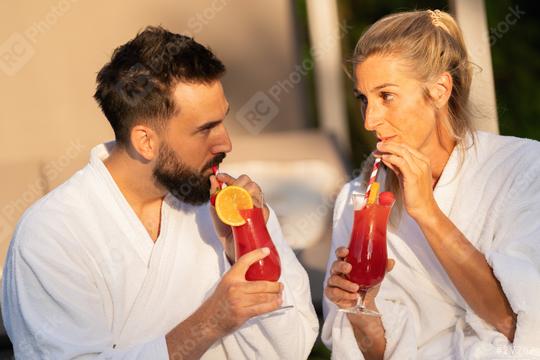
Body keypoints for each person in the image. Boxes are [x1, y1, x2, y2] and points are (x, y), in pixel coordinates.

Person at [2, 26, 318, 359]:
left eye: (222, 120)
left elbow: (294, 348)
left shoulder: (232, 210)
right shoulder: (52, 235)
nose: (226, 143)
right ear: (145, 141)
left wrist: (243, 250)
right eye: (205, 129)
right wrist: (211, 321)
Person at [322, 9, 540, 359]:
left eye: (386, 96)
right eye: (363, 99)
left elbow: (515, 323)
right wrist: (360, 308)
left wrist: (427, 212)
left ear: (439, 89)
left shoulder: (522, 169)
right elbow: (376, 353)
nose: (369, 120)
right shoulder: (359, 198)